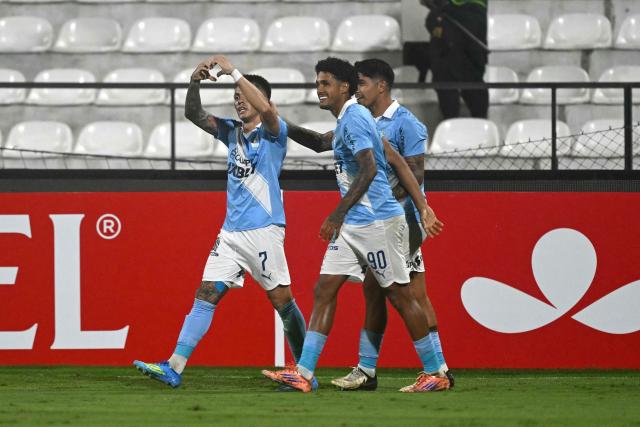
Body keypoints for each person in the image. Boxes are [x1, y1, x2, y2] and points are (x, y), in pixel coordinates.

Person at [262, 57, 447, 393]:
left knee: (401, 296)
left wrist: (337, 213)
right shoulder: (351, 118)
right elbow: (321, 143)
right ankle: (303, 373)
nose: (319, 89)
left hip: (377, 222)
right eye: (317, 83)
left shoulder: (357, 119)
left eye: (325, 83)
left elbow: (370, 169)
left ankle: (436, 373)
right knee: (325, 289)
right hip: (354, 224)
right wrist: (276, 121)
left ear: (343, 87)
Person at [132, 55, 307, 388]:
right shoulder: (230, 132)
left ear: (264, 99)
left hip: (263, 231)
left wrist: (234, 73)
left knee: (283, 302)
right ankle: (174, 366)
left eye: (245, 95)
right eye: (235, 97)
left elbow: (268, 112)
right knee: (206, 293)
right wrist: (194, 82)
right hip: (230, 234)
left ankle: (304, 370)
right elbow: (192, 114)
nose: (239, 100)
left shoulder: (275, 132)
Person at [330, 58, 452, 391]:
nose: (358, 90)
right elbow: (322, 141)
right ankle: (436, 369)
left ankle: (403, 371)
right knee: (406, 293)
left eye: (363, 83)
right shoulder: (361, 119)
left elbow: (414, 174)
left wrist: (387, 201)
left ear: (381, 86)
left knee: (392, 292)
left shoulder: (405, 123)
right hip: (384, 221)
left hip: (400, 221)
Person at [421, 0, 488, 119]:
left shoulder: (475, 9)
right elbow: (431, 23)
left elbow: (475, 23)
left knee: (478, 106)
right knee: (448, 106)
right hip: (445, 60)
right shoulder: (439, 13)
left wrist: (446, 7)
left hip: (470, 57)